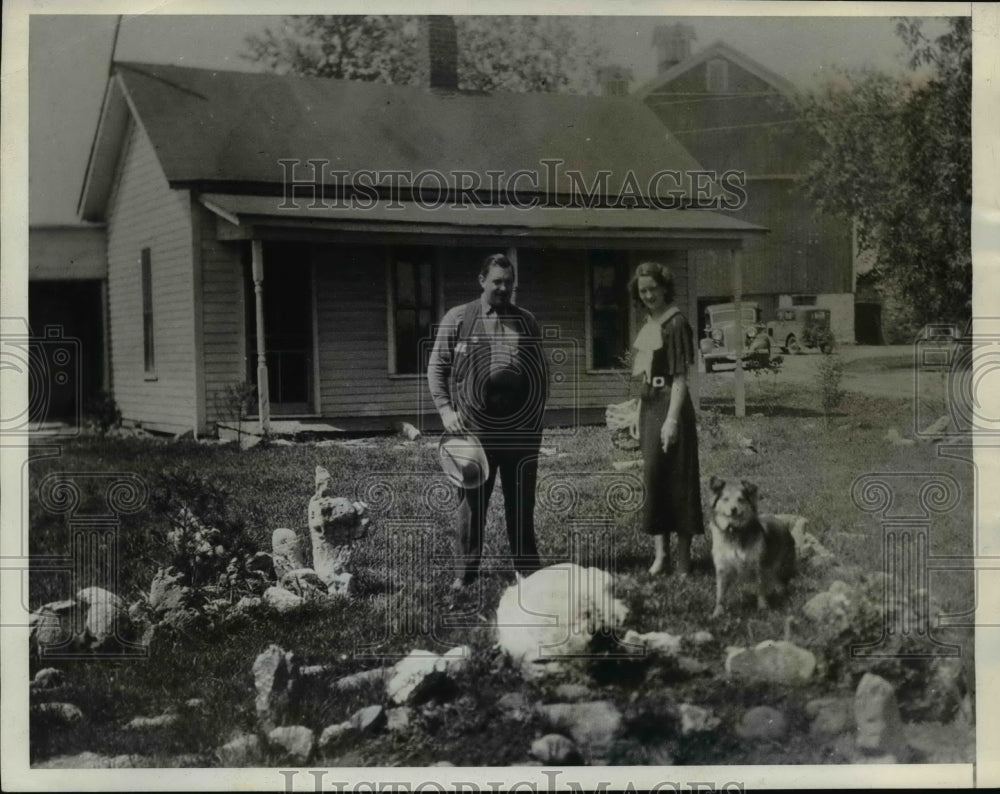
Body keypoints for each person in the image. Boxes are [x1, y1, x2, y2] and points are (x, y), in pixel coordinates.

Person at [427, 253, 548, 592]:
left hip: (519, 428)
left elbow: (540, 375)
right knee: (471, 502)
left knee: (521, 500)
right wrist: (446, 412)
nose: (503, 287)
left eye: (508, 282)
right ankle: (465, 573)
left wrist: (534, 421)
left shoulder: (526, 321)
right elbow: (437, 368)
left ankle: (526, 570)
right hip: (475, 427)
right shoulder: (459, 318)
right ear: (482, 280)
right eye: (497, 281)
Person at [629, 261, 703, 575]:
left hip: (672, 407)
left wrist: (671, 420)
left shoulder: (676, 323)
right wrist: (637, 413)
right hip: (650, 405)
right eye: (643, 290)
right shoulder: (649, 324)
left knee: (680, 479)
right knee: (655, 478)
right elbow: (645, 376)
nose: (648, 295)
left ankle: (684, 561)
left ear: (664, 288)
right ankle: (661, 556)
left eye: (653, 289)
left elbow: (681, 379)